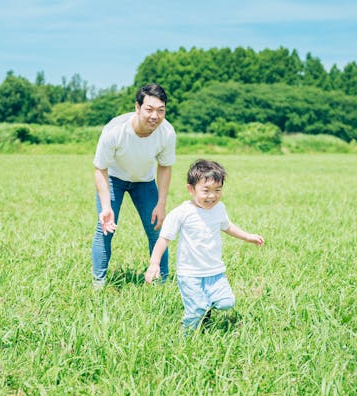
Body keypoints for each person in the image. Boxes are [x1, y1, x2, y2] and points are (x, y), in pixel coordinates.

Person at [145, 159, 265, 333]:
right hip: (190, 274)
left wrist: (248, 237)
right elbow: (164, 238)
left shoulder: (219, 208)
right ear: (191, 189)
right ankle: (185, 336)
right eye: (206, 190)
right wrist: (154, 263)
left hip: (215, 272)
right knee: (196, 309)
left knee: (226, 303)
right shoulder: (182, 213)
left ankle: (204, 310)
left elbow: (227, 226)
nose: (212, 196)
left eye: (217, 190)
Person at [91, 83, 176, 289]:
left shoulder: (166, 133)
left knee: (157, 230)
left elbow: (165, 167)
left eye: (160, 110)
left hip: (144, 182)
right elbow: (100, 168)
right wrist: (106, 206)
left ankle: (160, 282)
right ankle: (98, 283)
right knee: (106, 229)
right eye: (149, 109)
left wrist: (161, 203)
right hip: (114, 179)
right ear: (137, 107)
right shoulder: (114, 131)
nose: (155, 116)